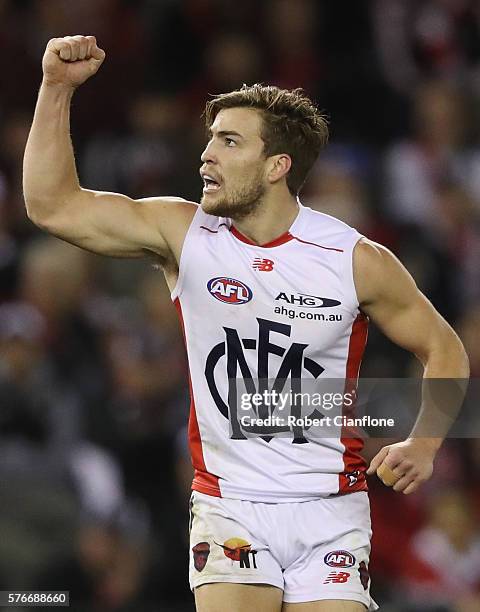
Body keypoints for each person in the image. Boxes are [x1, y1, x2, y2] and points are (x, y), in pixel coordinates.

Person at [23, 36, 469, 612]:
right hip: (229, 503)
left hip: (332, 508)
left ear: (277, 166)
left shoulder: (353, 258)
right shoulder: (182, 234)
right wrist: (56, 89)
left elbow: (445, 348)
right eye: (210, 140)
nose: (206, 155)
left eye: (228, 142)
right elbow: (51, 205)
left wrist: (426, 442)